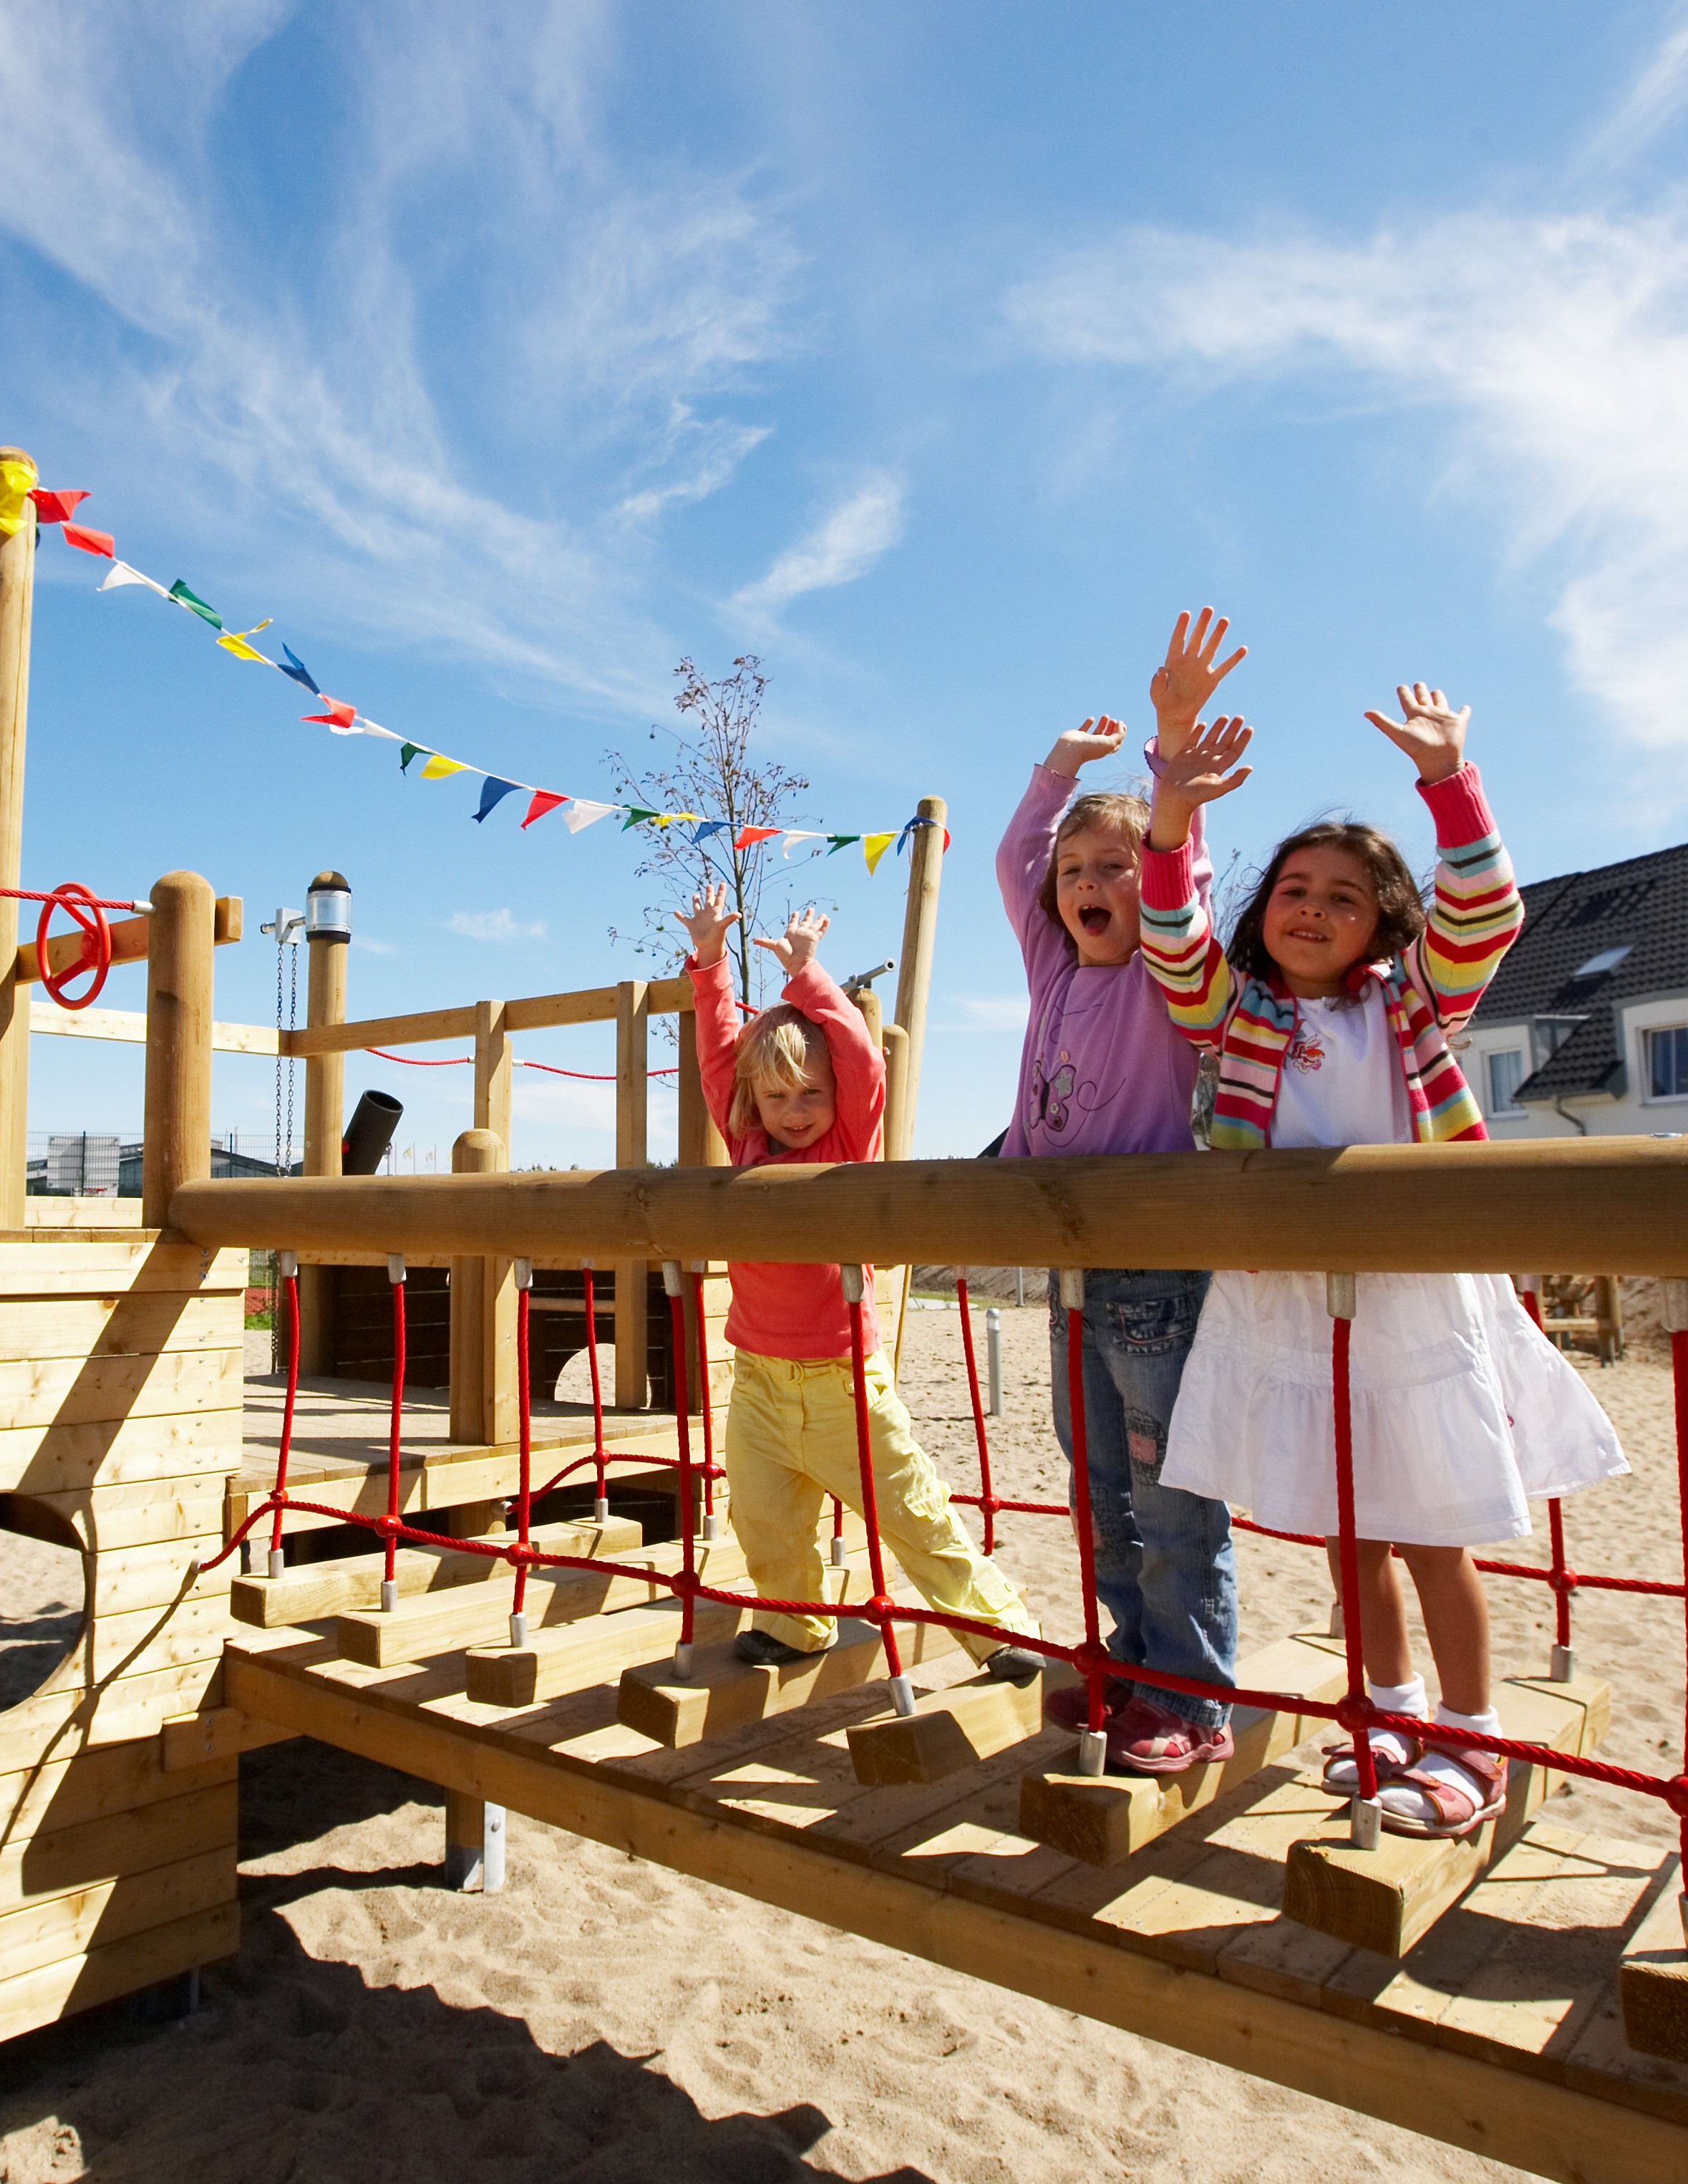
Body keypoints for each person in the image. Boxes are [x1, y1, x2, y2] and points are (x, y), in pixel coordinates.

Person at [1135, 680, 1627, 1837]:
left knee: (1430, 1530)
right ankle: (1388, 1715)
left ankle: (1470, 1738)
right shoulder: (1242, 1015)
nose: (1310, 909)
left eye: (1342, 897)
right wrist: (1171, 815)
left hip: (1407, 1298)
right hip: (1298, 1304)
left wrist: (1449, 779)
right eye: (1293, 891)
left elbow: (1488, 913)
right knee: (1345, 1530)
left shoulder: (1404, 1008)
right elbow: (1172, 944)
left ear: (1382, 922)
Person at [994, 607, 1247, 1774]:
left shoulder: (1158, 967)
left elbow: (1171, 876)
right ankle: (1128, 1659)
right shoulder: (1055, 964)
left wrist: (1167, 752)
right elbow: (1013, 860)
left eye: (1112, 868)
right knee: (1094, 1477)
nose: (1091, 882)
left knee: (1168, 1490)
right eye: (1075, 871)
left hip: (1157, 1263)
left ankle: (1189, 1698)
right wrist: (1055, 770)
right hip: (1074, 1266)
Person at [681, 885, 1042, 1681]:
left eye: (811, 1092)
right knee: (764, 1517)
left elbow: (861, 1056)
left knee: (913, 1511)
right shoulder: (748, 1148)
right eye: (778, 1096)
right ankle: (795, 1623)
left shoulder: (848, 1141)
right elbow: (717, 1057)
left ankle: (997, 1627)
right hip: (759, 1385)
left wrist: (810, 975)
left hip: (845, 1380)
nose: (797, 1109)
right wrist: (709, 965)